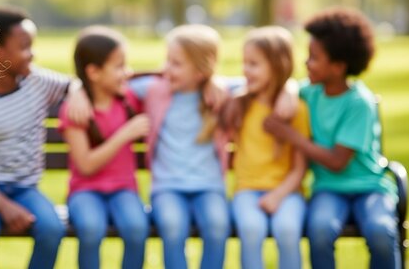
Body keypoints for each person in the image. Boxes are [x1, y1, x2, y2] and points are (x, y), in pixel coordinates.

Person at [264, 8, 400, 269]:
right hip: (328, 189)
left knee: (381, 232)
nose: (306, 63)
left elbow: (338, 161)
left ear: (338, 67)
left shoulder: (359, 103)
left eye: (314, 58)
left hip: (369, 187)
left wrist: (292, 136)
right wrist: (289, 90)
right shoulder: (310, 92)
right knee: (320, 229)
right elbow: (281, 86)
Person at [0, 6, 87, 268]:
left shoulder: (38, 82)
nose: (31, 55)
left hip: (26, 190)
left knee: (51, 229)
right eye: (24, 47)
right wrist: (4, 206)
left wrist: (78, 92)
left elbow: (74, 84)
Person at [129, 25, 231, 269]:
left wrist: (217, 80)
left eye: (176, 63)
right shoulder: (155, 89)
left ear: (200, 70)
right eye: (167, 60)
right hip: (168, 187)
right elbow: (113, 83)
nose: (166, 68)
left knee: (218, 226)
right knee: (172, 226)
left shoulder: (217, 94)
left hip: (209, 186)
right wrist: (79, 90)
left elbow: (266, 86)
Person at [58, 27, 150, 269]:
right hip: (85, 192)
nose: (127, 72)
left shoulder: (128, 97)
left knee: (137, 227)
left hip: (124, 191)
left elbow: (162, 76)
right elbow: (86, 166)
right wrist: (125, 134)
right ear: (94, 72)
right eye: (119, 66)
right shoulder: (76, 111)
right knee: (90, 227)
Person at [223, 27, 308, 269]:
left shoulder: (297, 110)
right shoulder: (239, 104)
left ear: (278, 65)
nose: (245, 70)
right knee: (251, 229)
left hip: (288, 192)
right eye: (244, 63)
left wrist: (278, 195)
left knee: (287, 230)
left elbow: (299, 169)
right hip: (246, 191)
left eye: (253, 64)